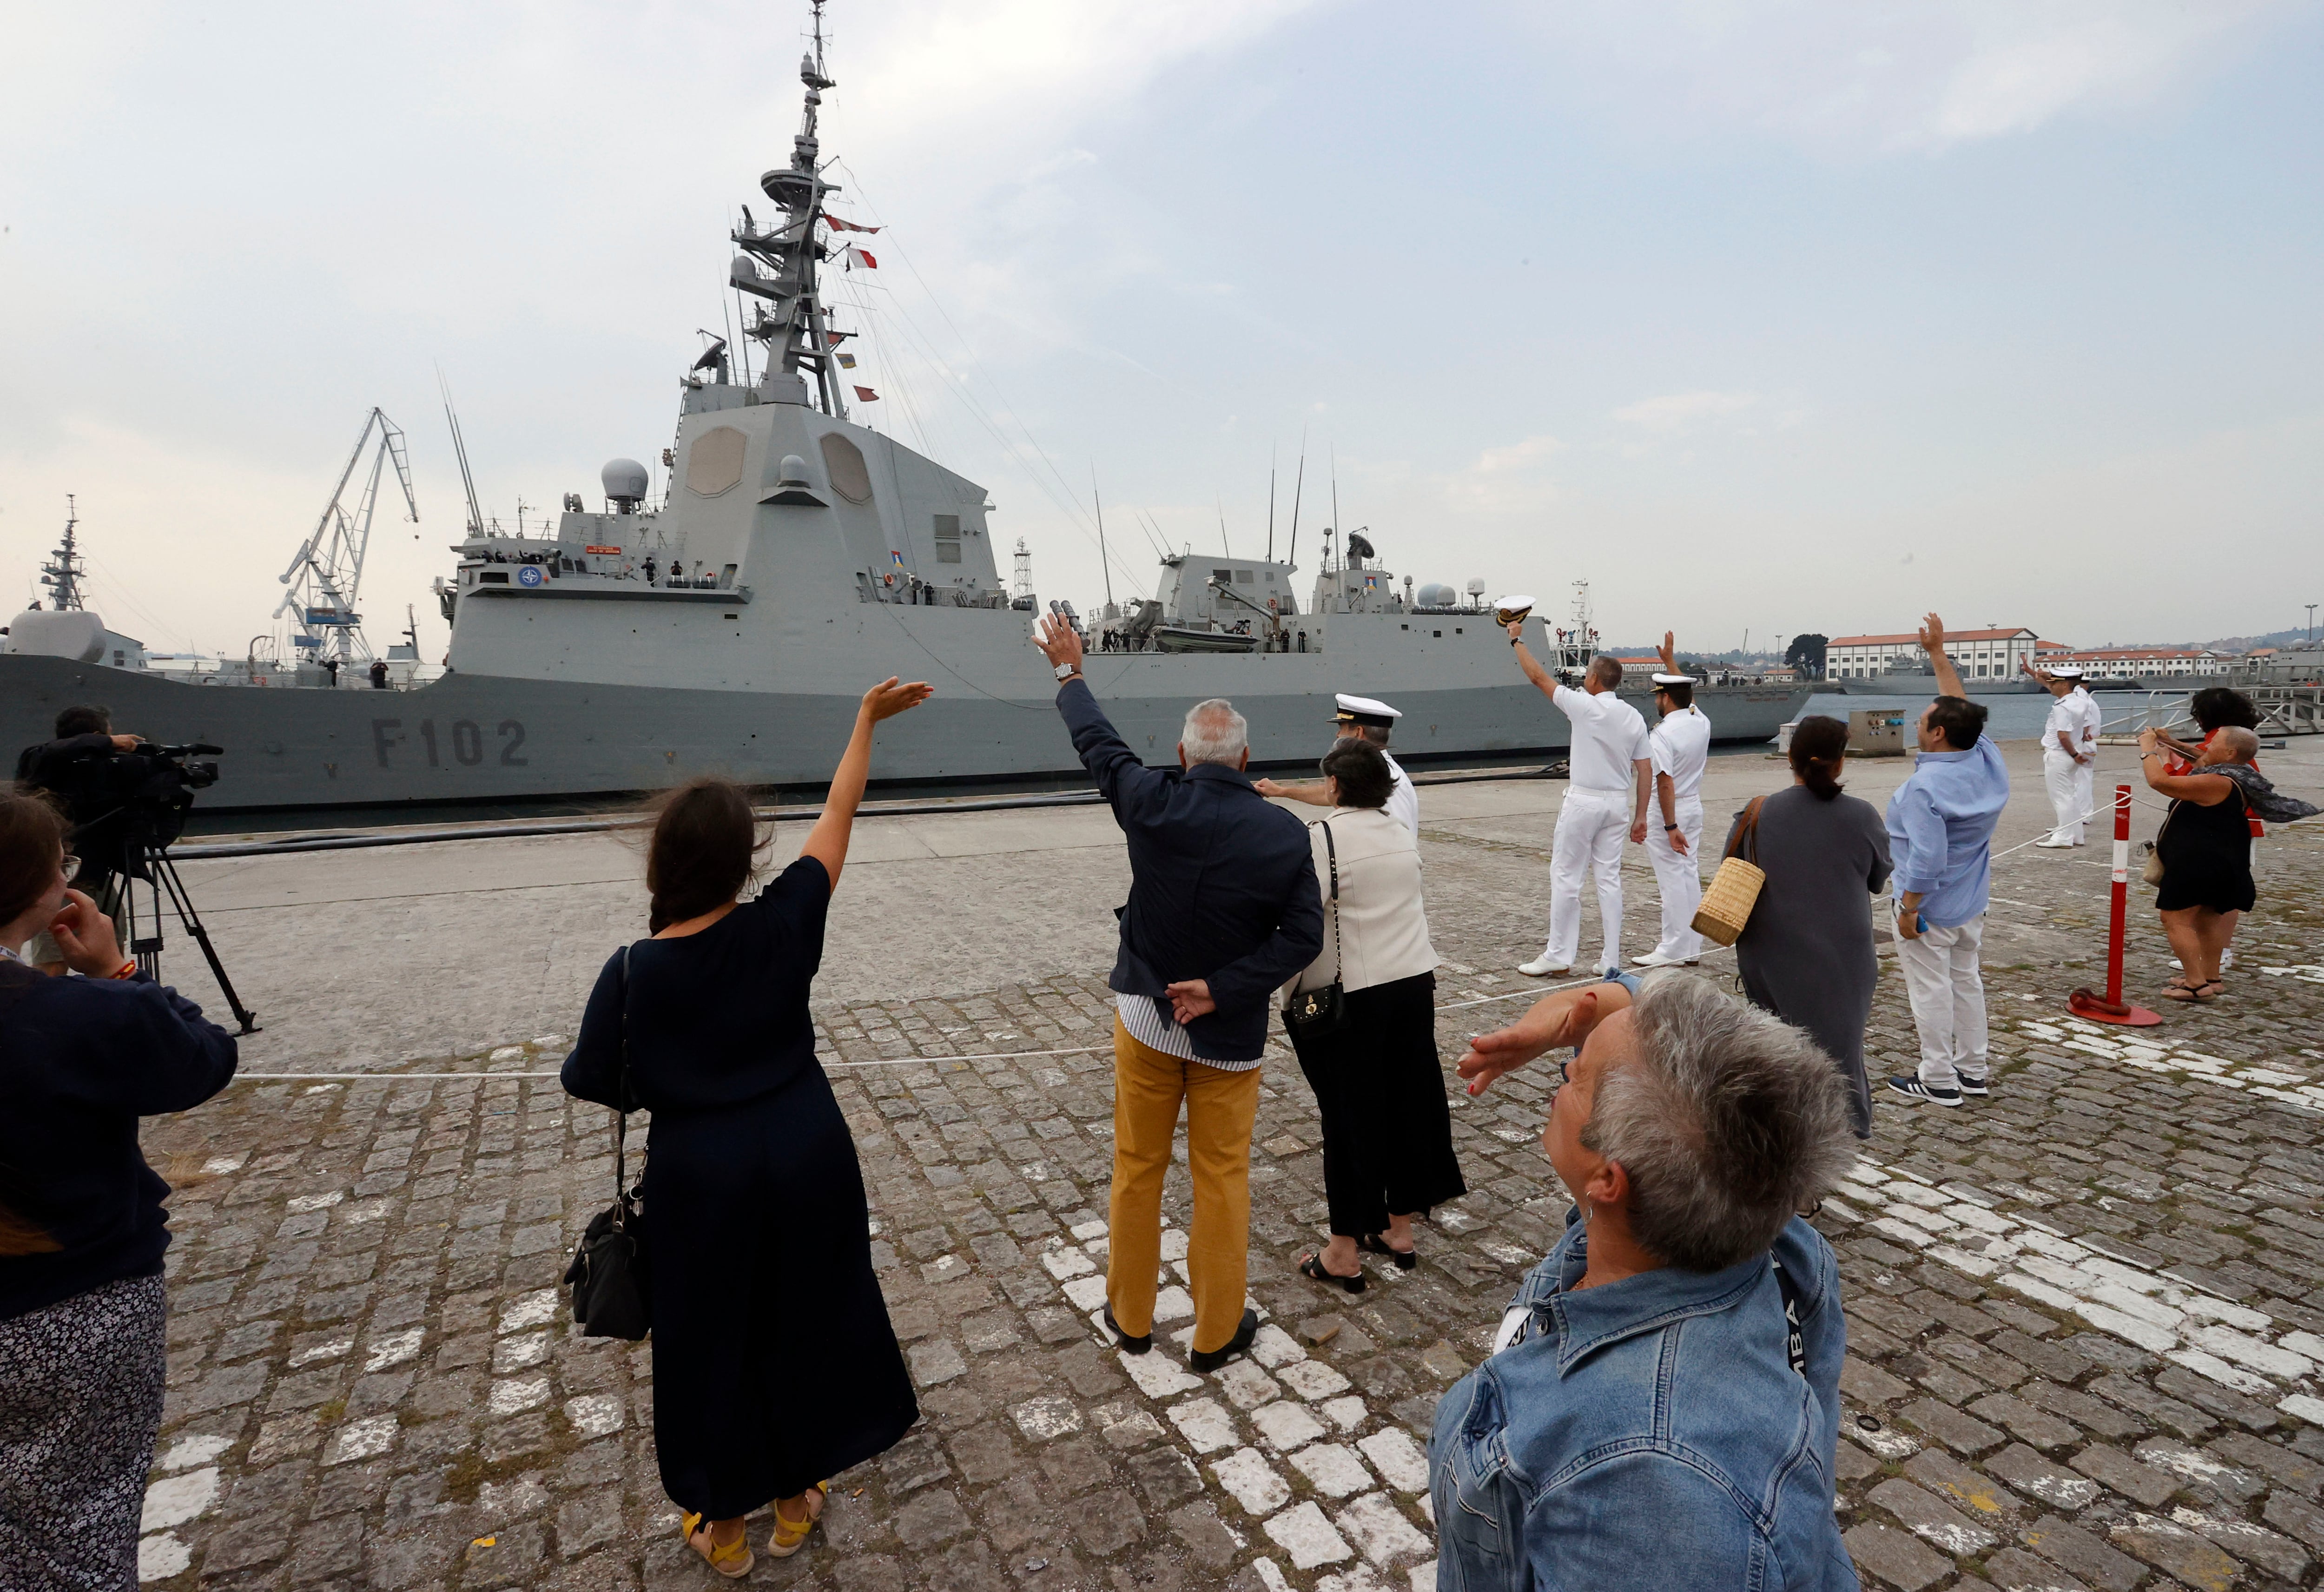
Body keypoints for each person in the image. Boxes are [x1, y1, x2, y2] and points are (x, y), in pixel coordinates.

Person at [561, 675, 933, 1575]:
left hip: (702, 1178)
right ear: (744, 861)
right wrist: (861, 721)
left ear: (661, 867)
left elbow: (596, 1079)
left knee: (707, 1344)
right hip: (806, 1153)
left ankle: (721, 1530)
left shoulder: (633, 971)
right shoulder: (782, 927)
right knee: (802, 1320)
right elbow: (839, 812)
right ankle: (795, 1502)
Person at [1432, 973, 1860, 1591]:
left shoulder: (1651, 1484)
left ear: (1609, 1178)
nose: (1566, 1071)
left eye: (1576, 1075)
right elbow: (1720, 1071)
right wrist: (1601, 1009)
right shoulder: (1755, 1218)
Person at [1031, 613, 1323, 1373]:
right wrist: (1222, 989)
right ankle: (1216, 1332)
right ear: (1248, 759)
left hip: (1147, 1021)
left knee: (1137, 1167)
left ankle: (1129, 1318)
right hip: (1228, 1039)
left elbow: (1099, 745)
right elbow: (1303, 941)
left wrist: (1070, 672)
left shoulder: (1152, 804)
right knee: (1221, 1181)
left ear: (1184, 755)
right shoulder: (1287, 835)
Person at [0, 787, 239, 1587]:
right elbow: (200, 1059)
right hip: (75, 1306)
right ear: (41, 890)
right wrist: (115, 971)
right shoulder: (73, 1015)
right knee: (80, 1527)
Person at [1278, 740, 1463, 1291]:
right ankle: (1398, 1229)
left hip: (1356, 994)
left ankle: (1342, 1251)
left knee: (1348, 1116)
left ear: (1333, 785)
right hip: (1412, 984)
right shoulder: (1398, 833)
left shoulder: (1322, 838)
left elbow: (1304, 921)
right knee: (1407, 1103)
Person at [1726, 715, 1894, 1137]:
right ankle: (1842, 1130)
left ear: (1791, 758)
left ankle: (1777, 1128)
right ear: (1839, 763)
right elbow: (1878, 879)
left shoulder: (1757, 811)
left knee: (1772, 1046)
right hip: (1840, 956)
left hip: (1767, 952)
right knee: (1839, 1052)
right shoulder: (1861, 815)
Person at [1882, 615, 2009, 1110]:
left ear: (1936, 733)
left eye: (1920, 721)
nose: (1914, 725)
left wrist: (1909, 908)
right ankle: (1972, 1068)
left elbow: (1926, 856)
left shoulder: (1924, 787)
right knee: (1965, 979)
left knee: (1930, 988)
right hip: (1970, 899)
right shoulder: (1984, 758)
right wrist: (1938, 653)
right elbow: (1961, 711)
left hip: (1931, 905)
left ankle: (1936, 1075)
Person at [1505, 625, 1651, 978]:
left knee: (1567, 876)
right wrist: (1641, 817)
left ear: (1597, 679)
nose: (1585, 678)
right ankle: (1610, 958)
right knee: (1609, 879)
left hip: (1584, 800)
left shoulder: (1584, 705)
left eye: (1588, 674)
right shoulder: (1634, 717)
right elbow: (1645, 769)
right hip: (1618, 804)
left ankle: (1559, 953)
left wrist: (1515, 640)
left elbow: (1539, 677)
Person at [2136, 724, 2317, 1002]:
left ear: (2231, 753)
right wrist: (2170, 742)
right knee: (2209, 919)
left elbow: (2161, 782)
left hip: (2200, 862)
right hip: (2221, 859)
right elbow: (2200, 756)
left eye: (2215, 744)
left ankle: (2196, 985)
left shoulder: (2217, 782)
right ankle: (2211, 977)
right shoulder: (2238, 775)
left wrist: (2148, 750)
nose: (2207, 747)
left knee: (2176, 918)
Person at [2156, 687, 2265, 979]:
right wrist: (2170, 743)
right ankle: (2214, 964)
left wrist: (2158, 755)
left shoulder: (2222, 741)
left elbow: (2181, 780)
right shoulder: (2236, 738)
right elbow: (2202, 758)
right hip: (2237, 827)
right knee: (2220, 897)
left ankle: (2208, 965)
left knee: (2216, 901)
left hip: (2219, 831)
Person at [1636, 631, 1710, 969]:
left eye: (1659, 695)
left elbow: (1663, 781)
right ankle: (1692, 946)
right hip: (1693, 803)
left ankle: (1672, 949)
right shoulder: (1700, 721)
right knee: (1688, 874)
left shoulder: (1663, 733)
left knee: (1671, 879)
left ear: (1665, 697)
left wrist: (1669, 826)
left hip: (1671, 809)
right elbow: (1687, 695)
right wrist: (1669, 661)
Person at [1253, 693, 1419, 836]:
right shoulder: (1371, 772)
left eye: (1343, 728)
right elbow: (1334, 793)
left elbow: (1400, 836)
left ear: (1358, 732)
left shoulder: (1387, 778)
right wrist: (1282, 792)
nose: (1338, 734)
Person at [2025, 662, 2099, 848]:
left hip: (2060, 754)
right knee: (2070, 796)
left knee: (2061, 798)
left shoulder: (2063, 706)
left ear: (2064, 685)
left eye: (2055, 682)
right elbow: (2085, 729)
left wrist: (2074, 754)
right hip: (2072, 753)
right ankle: (2076, 835)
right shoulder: (2081, 701)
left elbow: (2062, 735)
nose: (2052, 685)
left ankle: (2063, 838)